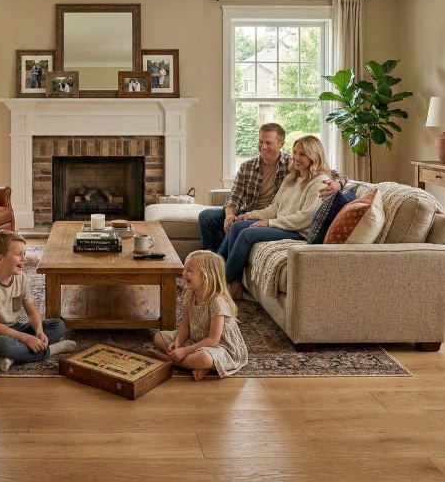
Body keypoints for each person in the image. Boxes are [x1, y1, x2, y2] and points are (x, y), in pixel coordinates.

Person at [198, 123, 347, 254]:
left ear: (281, 144)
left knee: (238, 227)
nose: (263, 147)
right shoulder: (247, 167)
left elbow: (328, 171)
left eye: (268, 143)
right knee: (207, 216)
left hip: (275, 215)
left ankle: (217, 266)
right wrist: (229, 214)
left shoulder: (293, 164)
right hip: (252, 210)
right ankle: (209, 257)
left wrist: (338, 183)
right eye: (261, 142)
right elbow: (234, 196)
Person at [218, 135, 332, 300]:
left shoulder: (320, 182)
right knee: (236, 226)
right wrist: (248, 215)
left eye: (302, 154)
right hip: (282, 224)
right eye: (295, 152)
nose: (296, 157)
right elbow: (275, 208)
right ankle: (233, 282)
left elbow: (305, 218)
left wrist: (270, 223)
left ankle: (220, 284)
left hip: (298, 231)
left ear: (314, 156)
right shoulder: (292, 177)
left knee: (246, 234)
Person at [0, 230, 76, 372]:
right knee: (6, 345)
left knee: (58, 325)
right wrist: (26, 339)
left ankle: (12, 356)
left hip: (13, 328)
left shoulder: (21, 278)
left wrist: (38, 332)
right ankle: (51, 350)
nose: (24, 259)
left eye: (24, 254)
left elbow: (31, 311)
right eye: (18, 254)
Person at [149, 250, 247, 380]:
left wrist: (185, 350)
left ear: (207, 276)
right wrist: (178, 343)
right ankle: (198, 365)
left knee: (203, 358)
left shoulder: (217, 302)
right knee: (158, 337)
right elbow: (185, 326)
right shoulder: (191, 295)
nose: (183, 274)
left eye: (189, 271)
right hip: (196, 339)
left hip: (219, 347)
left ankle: (171, 360)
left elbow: (213, 340)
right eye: (184, 269)